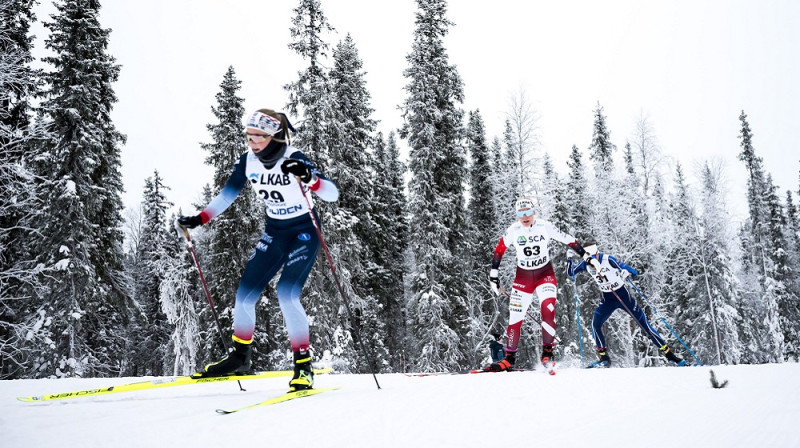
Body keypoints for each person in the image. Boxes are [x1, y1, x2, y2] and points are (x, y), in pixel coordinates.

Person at [178, 109, 339, 392]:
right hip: (275, 233)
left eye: (259, 137)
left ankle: (303, 365)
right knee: (244, 296)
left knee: (287, 295)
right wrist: (201, 218)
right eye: (249, 136)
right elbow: (228, 194)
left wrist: (310, 179)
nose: (252, 142)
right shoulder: (248, 161)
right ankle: (240, 358)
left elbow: (331, 193)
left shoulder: (293, 157)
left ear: (274, 136)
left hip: (304, 231)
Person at [485, 197, 592, 373]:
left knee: (547, 310)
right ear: (517, 215)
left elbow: (569, 240)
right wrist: (493, 275)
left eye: (528, 212)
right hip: (523, 277)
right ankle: (508, 359)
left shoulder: (544, 226)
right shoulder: (514, 230)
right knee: (515, 317)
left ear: (534, 212)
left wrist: (585, 255)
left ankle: (547, 356)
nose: (525, 217)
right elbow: (499, 251)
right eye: (521, 214)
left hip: (545, 274)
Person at [566, 241, 687, 368]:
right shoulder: (586, 263)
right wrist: (569, 259)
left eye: (593, 257)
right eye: (589, 259)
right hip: (607, 299)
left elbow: (632, 271)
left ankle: (671, 356)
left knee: (645, 325)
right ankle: (604, 358)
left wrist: (626, 272)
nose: (591, 262)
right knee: (595, 324)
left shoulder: (608, 260)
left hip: (623, 297)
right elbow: (571, 273)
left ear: (597, 253)